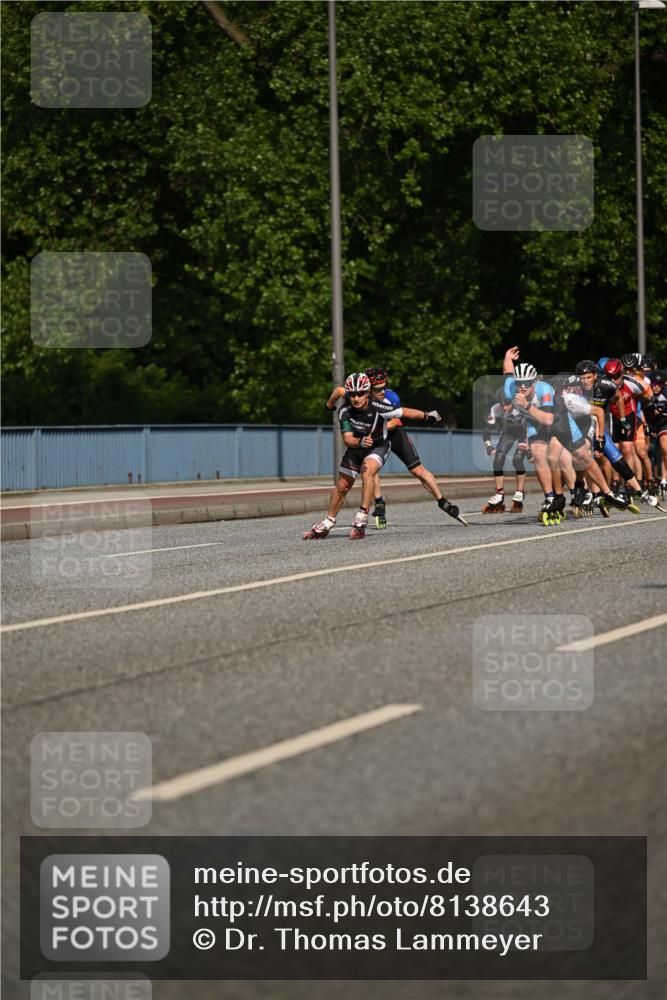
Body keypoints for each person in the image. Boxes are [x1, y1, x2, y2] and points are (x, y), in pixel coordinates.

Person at [307, 372, 461, 540]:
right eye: (353, 395)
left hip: (379, 444)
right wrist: (330, 406)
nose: (356, 398)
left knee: (368, 469)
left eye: (360, 394)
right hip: (357, 446)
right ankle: (329, 520)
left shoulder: (380, 405)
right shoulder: (345, 409)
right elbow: (347, 438)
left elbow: (403, 413)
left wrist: (426, 416)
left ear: (367, 392)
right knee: (342, 485)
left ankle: (363, 513)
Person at [501, 347, 555, 522]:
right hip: (533, 421)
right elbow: (508, 371)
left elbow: (547, 420)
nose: (522, 386)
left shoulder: (544, 389)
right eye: (519, 383)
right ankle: (550, 498)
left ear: (535, 381)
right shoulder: (512, 389)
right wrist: (507, 357)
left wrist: (526, 406)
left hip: (555, 419)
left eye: (527, 383)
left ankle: (578, 489)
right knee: (539, 455)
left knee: (562, 459)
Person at [482, 389, 529, 513]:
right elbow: (487, 430)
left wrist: (529, 444)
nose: (504, 407)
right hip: (509, 431)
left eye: (507, 404)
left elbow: (534, 424)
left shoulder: (520, 406)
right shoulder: (495, 408)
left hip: (525, 431)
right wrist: (488, 446)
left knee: (517, 459)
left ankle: (520, 491)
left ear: (512, 402)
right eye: (501, 404)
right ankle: (499, 494)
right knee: (498, 458)